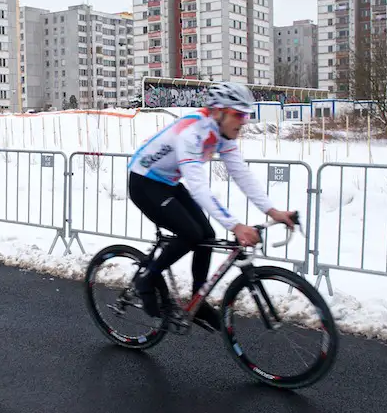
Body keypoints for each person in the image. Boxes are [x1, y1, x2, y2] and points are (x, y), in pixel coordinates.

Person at [126, 82, 296, 331]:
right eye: (239, 114)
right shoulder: (191, 132)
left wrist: (272, 211)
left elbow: (242, 174)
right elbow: (198, 186)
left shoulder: (221, 133)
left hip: (168, 182)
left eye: (246, 115)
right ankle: (146, 279)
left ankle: (198, 300)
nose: (244, 121)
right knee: (191, 234)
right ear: (218, 111)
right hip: (144, 182)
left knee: (207, 235)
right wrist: (235, 225)